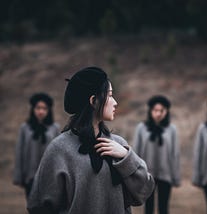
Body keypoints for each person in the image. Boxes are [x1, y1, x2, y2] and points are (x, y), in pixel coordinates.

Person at [27, 66, 155, 214]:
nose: (115, 102)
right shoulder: (59, 149)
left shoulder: (118, 145)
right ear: (93, 101)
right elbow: (38, 206)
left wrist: (126, 157)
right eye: (110, 95)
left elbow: (145, 190)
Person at [133, 95, 180, 214]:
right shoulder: (141, 128)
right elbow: (136, 152)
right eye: (155, 110)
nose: (158, 114)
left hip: (166, 174)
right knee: (148, 208)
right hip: (147, 174)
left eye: (161, 110)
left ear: (166, 112)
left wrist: (175, 176)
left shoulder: (172, 129)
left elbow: (175, 154)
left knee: (163, 207)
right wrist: (135, 174)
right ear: (150, 111)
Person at [13, 92, 60, 199]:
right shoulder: (25, 128)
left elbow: (59, 153)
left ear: (49, 110)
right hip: (30, 176)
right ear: (33, 109)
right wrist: (19, 177)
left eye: (44, 108)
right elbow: (19, 152)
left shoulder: (55, 128)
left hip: (50, 177)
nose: (41, 111)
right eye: (38, 108)